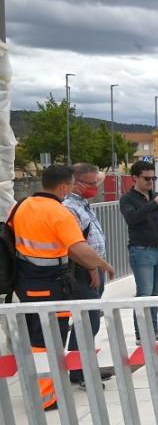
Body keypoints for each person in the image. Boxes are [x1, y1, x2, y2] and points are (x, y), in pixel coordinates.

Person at [10, 165, 115, 410]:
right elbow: (78, 249)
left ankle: (40, 390)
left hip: (26, 282)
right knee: (51, 340)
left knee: (37, 338)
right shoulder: (59, 213)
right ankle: (46, 397)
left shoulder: (21, 206)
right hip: (51, 285)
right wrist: (102, 264)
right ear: (64, 186)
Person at [62, 163, 115, 385]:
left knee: (90, 321)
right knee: (88, 321)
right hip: (83, 271)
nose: (96, 186)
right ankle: (79, 371)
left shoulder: (82, 202)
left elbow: (99, 174)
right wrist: (93, 267)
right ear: (76, 183)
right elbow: (75, 245)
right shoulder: (69, 208)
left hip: (93, 270)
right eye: (92, 183)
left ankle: (81, 368)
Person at [119, 160, 158, 343]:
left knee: (155, 293)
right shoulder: (127, 199)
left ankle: (153, 330)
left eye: (153, 178)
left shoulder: (156, 196)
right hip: (141, 250)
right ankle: (142, 334)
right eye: (146, 178)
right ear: (134, 178)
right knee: (144, 294)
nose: (150, 182)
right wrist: (154, 204)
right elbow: (132, 219)